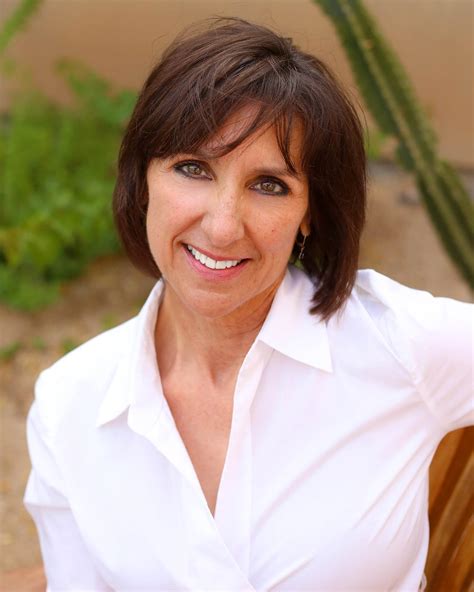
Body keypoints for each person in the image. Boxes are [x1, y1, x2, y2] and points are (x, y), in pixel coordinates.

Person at [24, 17, 472, 592]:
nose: (222, 226)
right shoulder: (68, 405)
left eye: (269, 185)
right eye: (193, 169)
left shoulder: (398, 343)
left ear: (310, 213)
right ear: (144, 181)